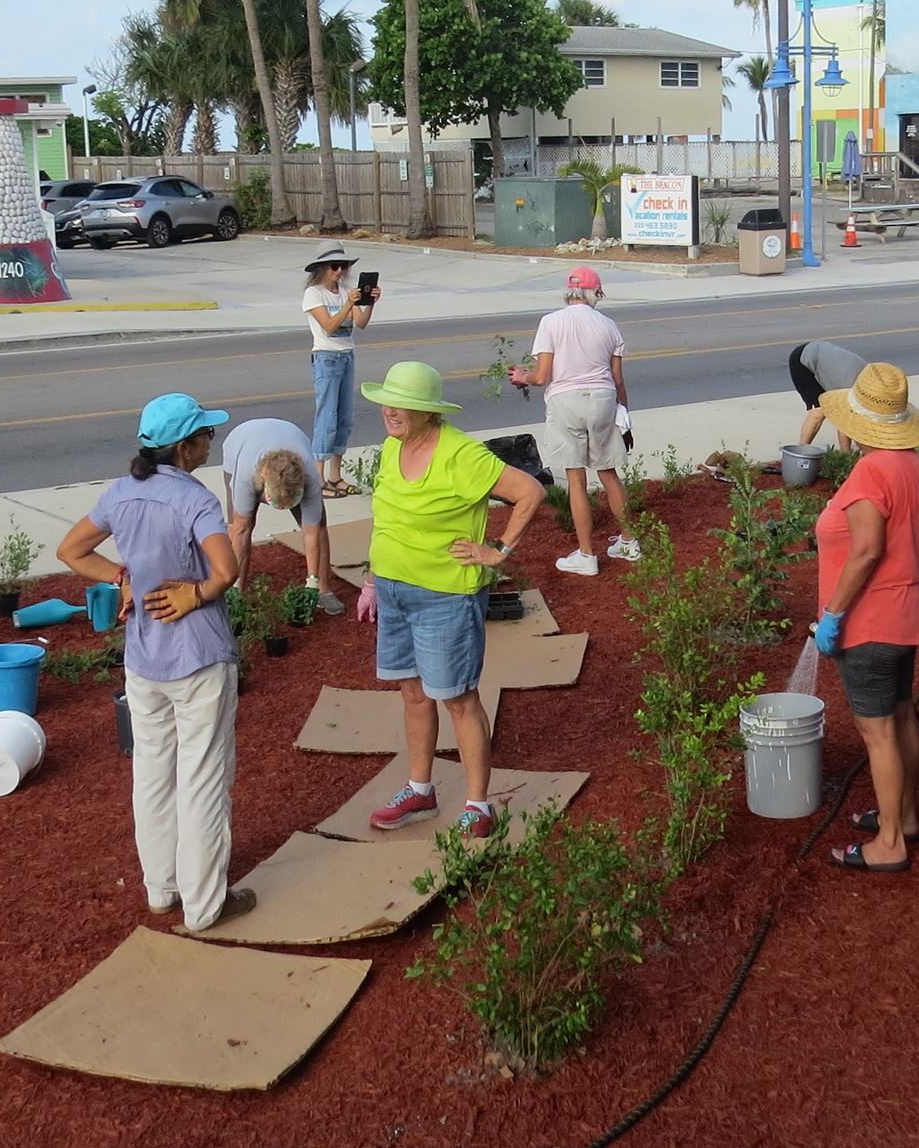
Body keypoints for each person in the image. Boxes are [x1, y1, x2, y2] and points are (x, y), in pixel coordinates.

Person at [55, 394, 255, 931]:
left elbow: (71, 550)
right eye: (205, 436)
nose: (210, 443)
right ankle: (206, 905)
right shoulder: (194, 499)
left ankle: (162, 890)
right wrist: (197, 593)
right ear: (184, 447)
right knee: (203, 778)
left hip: (144, 658)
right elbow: (226, 569)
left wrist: (120, 577)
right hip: (199, 657)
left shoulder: (121, 493)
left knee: (152, 775)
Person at [353, 361, 546, 839]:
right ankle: (420, 789)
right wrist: (373, 580)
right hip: (394, 590)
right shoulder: (392, 447)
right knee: (413, 692)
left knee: (458, 699)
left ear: (428, 411)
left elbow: (529, 492)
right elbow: (387, 518)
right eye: (387, 402)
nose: (390, 411)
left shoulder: (461, 453)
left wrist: (498, 551)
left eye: (402, 405)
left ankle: (478, 806)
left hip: (445, 596)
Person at [810, 363, 919, 873]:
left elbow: (866, 551)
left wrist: (833, 614)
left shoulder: (870, 472)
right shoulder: (914, 465)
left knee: (878, 731)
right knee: (901, 715)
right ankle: (903, 817)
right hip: (908, 614)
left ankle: (889, 844)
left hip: (872, 621)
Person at [514, 266, 639, 576]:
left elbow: (542, 377)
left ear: (569, 292)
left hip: (566, 401)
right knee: (608, 473)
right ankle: (629, 542)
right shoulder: (609, 325)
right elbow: (618, 378)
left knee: (576, 479)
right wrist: (624, 414)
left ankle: (586, 555)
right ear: (595, 293)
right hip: (603, 399)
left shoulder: (551, 322)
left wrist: (522, 376)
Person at [217, 416, 344, 617]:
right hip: (241, 440)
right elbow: (240, 530)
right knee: (241, 526)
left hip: (290, 434)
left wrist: (312, 581)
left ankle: (324, 590)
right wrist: (233, 586)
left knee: (319, 524)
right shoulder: (246, 476)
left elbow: (312, 532)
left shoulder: (310, 475)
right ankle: (236, 590)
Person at [301, 246, 378, 497]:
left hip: (346, 356)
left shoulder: (346, 291)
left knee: (344, 417)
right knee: (327, 417)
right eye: (334, 266)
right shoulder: (314, 294)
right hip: (326, 357)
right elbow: (329, 327)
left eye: (343, 266)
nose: (339, 271)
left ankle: (335, 476)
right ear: (322, 269)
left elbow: (361, 323)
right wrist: (348, 304)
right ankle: (318, 478)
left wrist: (369, 303)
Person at [789, 339, 868, 450]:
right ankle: (800, 452)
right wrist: (846, 456)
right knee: (819, 412)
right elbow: (843, 423)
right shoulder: (849, 389)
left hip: (823, 355)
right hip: (803, 360)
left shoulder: (868, 378)